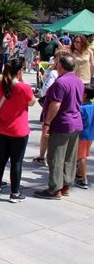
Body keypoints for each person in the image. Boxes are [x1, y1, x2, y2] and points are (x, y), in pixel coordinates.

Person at [0, 58, 36, 202]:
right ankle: (14, 193)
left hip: (0, 128)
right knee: (16, 162)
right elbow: (32, 102)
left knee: (0, 159)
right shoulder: (24, 87)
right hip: (19, 130)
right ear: (19, 71)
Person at [35, 54, 84, 200]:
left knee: (56, 157)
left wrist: (47, 123)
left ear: (60, 66)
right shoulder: (79, 81)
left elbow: (55, 104)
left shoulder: (60, 83)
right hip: (75, 122)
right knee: (70, 156)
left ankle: (54, 189)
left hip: (61, 123)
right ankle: (66, 185)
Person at [75, 85, 94, 189]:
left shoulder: (81, 108)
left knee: (82, 157)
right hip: (91, 135)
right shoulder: (93, 106)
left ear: (85, 95)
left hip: (82, 135)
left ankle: (84, 180)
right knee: (84, 154)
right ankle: (78, 173)